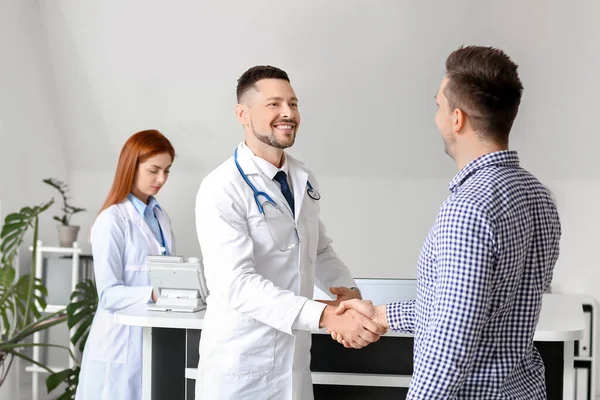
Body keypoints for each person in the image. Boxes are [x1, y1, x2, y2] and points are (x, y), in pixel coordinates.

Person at [333, 46, 561, 399]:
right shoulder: (537, 196)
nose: (436, 117)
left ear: (457, 119)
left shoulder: (467, 209)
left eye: (438, 106)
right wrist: (381, 315)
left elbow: (449, 346)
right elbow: (477, 307)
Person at [194, 65, 386, 399]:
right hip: (241, 372)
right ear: (242, 113)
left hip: (294, 370)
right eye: (274, 104)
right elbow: (237, 284)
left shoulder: (302, 178)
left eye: (294, 104)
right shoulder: (221, 187)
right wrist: (326, 316)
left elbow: (319, 250)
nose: (288, 113)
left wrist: (349, 297)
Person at [76, 129, 176, 400]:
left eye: (167, 171)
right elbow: (108, 295)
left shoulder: (160, 217)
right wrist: (154, 294)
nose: (161, 179)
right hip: (118, 346)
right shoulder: (112, 220)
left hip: (152, 342)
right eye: (154, 170)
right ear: (131, 166)